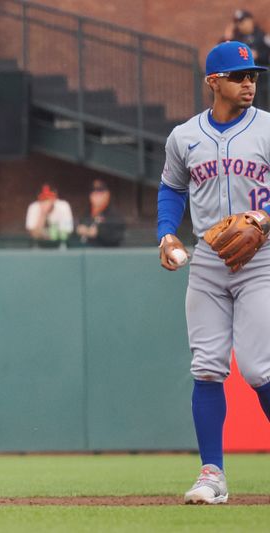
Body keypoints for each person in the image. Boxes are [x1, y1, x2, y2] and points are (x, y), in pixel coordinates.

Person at [157, 41, 270, 505]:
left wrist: (265, 219)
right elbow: (171, 189)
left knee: (260, 368)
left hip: (260, 259)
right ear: (213, 82)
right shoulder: (184, 136)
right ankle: (212, 475)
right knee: (206, 368)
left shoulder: (267, 129)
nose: (249, 83)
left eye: (253, 75)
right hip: (207, 259)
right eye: (239, 75)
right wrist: (166, 234)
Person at [76, 179, 125, 247]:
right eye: (93, 193)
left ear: (107, 195)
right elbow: (81, 225)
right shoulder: (88, 212)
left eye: (99, 193)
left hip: (105, 253)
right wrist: (80, 229)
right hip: (85, 250)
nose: (96, 196)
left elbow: (117, 237)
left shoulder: (113, 214)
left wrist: (99, 232)